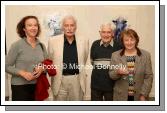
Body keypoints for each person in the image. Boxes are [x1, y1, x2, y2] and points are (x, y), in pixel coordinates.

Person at [6, 16, 48, 101]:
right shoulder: (17, 45)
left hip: (38, 86)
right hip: (20, 87)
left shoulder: (41, 45)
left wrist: (42, 69)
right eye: (29, 25)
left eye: (35, 25)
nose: (33, 28)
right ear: (24, 29)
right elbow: (5, 66)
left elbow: (47, 65)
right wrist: (22, 73)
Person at [48, 15, 89, 101]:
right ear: (62, 27)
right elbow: (50, 60)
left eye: (72, 25)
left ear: (76, 27)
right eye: (66, 25)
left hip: (77, 80)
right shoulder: (52, 41)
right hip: (60, 80)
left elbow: (84, 59)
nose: (69, 28)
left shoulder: (84, 40)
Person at [109, 28, 153, 101]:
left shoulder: (146, 55)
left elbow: (149, 77)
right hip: (121, 96)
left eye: (132, 39)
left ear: (136, 40)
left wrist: (143, 94)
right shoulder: (115, 55)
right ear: (123, 42)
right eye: (126, 40)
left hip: (139, 96)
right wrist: (118, 72)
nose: (129, 42)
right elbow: (111, 75)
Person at [90, 23, 122, 101]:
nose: (106, 35)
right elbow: (92, 61)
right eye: (103, 32)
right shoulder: (95, 44)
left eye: (109, 32)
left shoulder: (119, 46)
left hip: (112, 86)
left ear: (113, 33)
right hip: (96, 86)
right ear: (100, 33)